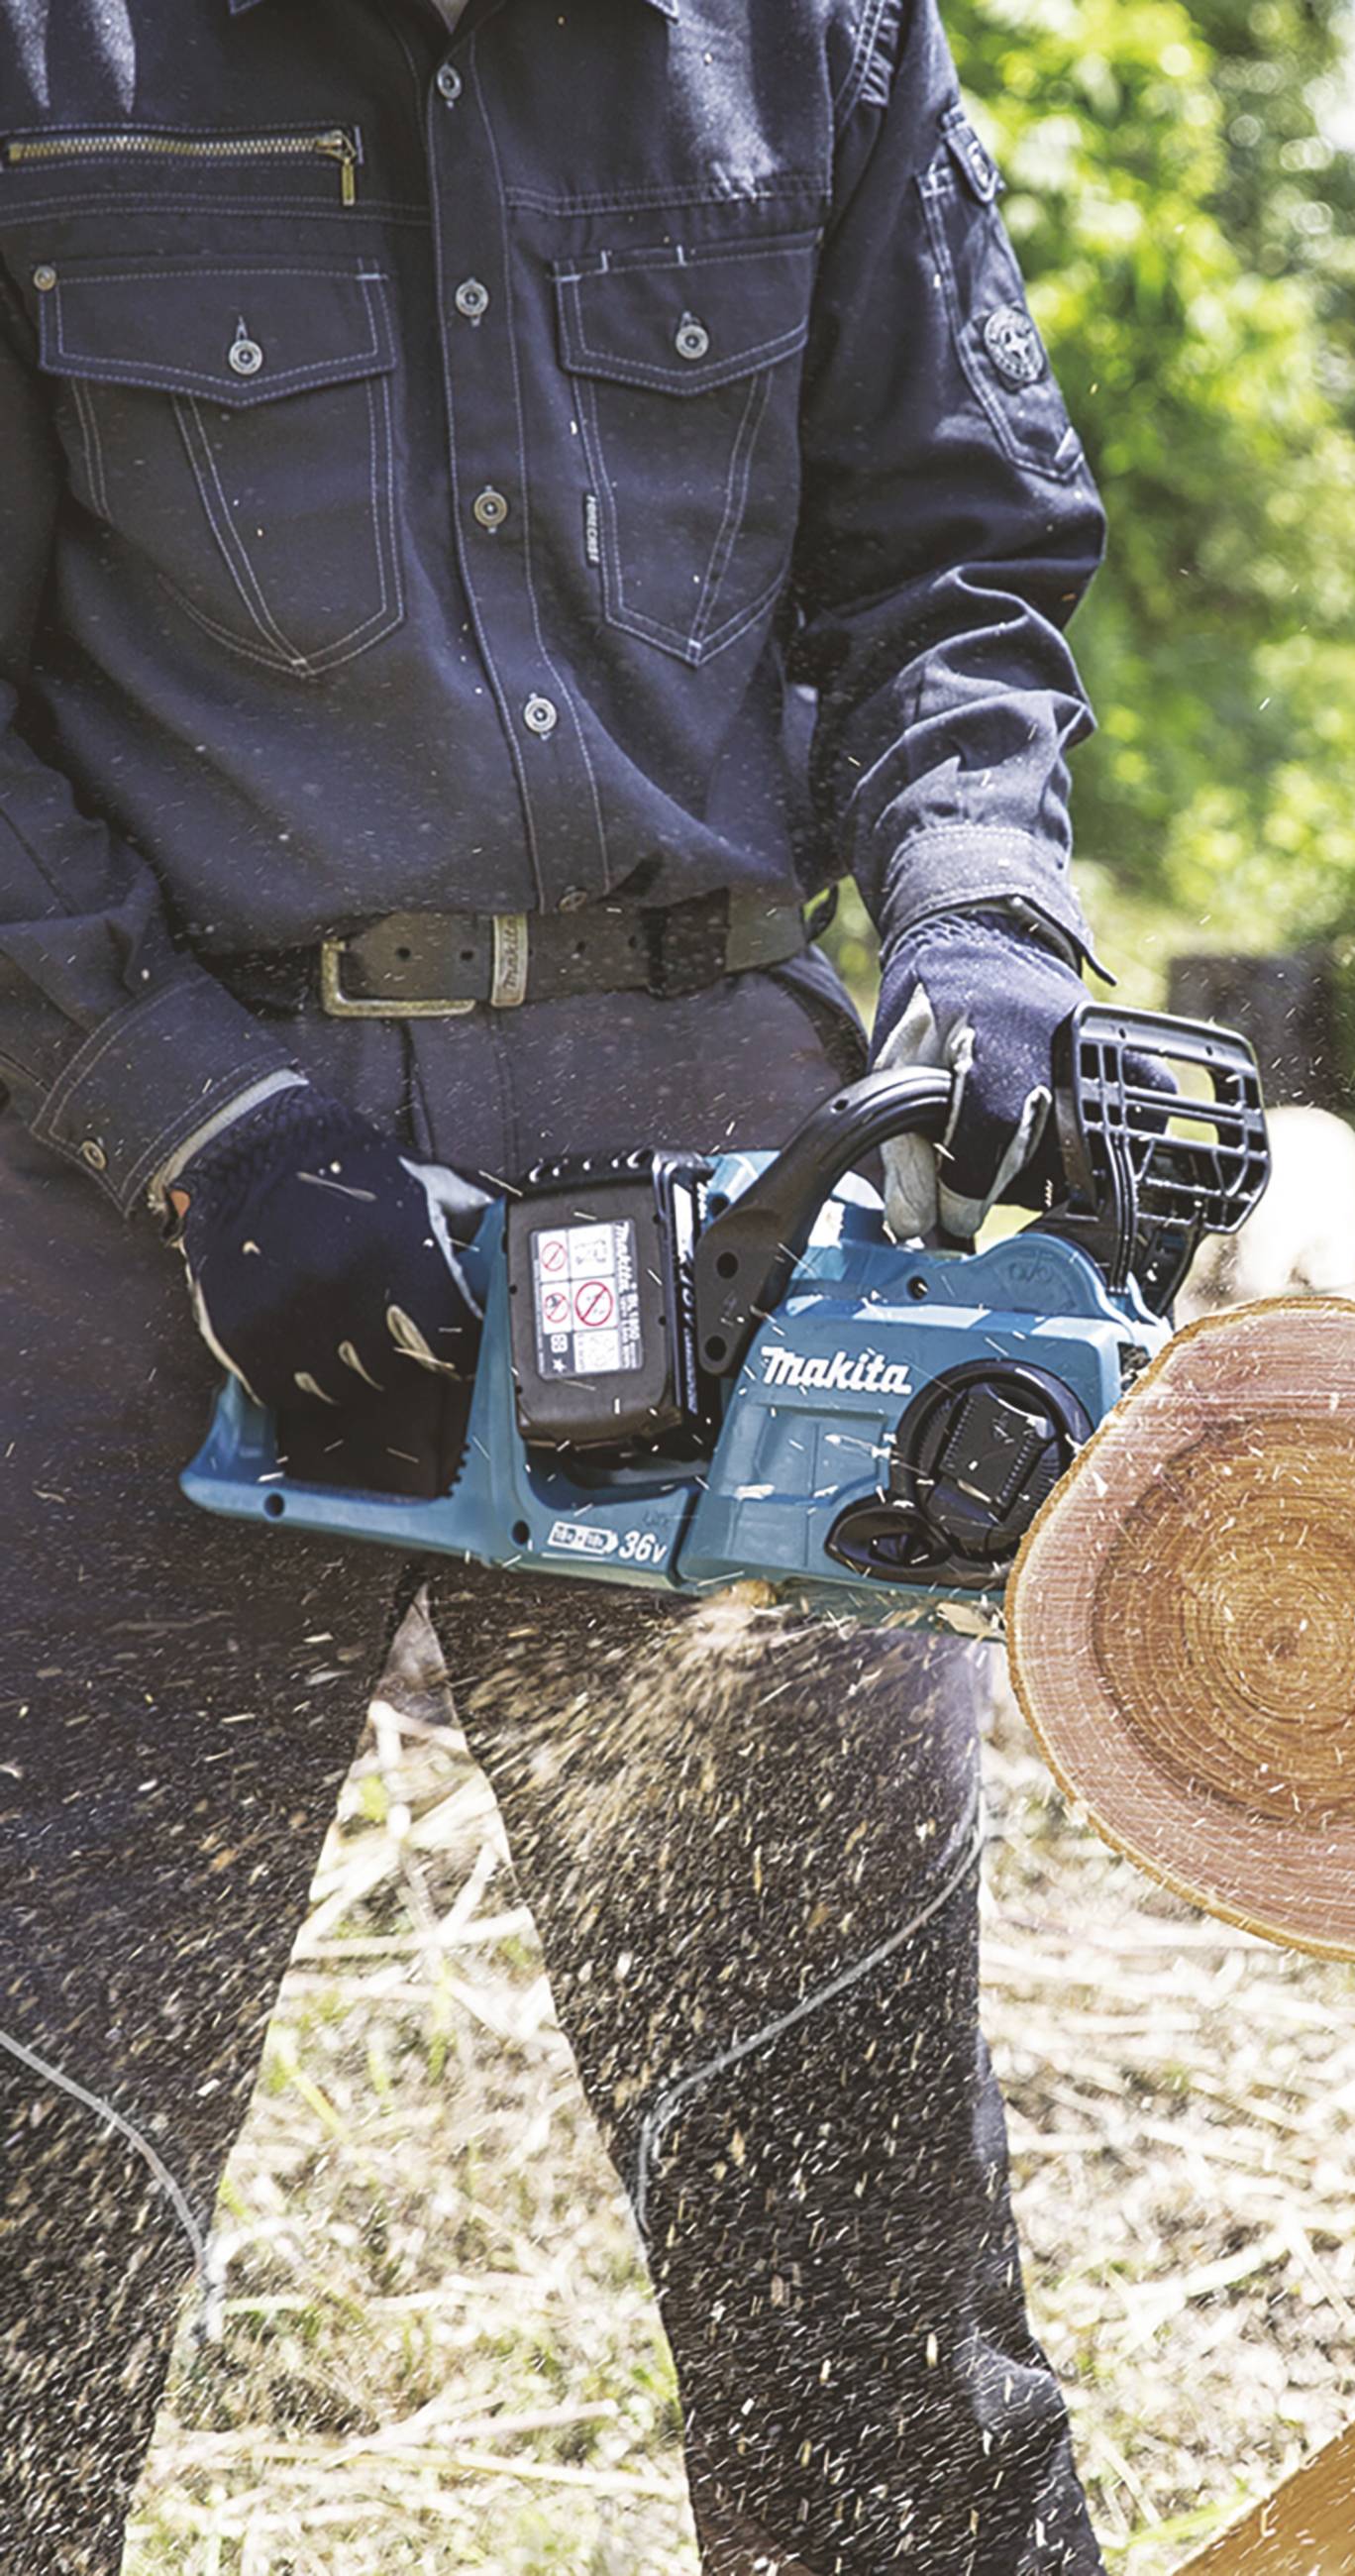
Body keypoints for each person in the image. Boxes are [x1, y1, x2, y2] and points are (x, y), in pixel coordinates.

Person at [0, 0, 1114, 2566]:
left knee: (857, 2237)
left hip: (742, 1190)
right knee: (30, 2172)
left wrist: (982, 924)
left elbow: (958, 568)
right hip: (143, 1202)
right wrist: (190, 1116)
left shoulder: (808, 47)